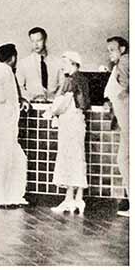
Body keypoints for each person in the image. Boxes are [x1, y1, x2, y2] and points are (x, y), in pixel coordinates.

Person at [43, 51, 90, 214]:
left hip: (69, 123)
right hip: (79, 122)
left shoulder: (70, 80)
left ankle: (69, 199)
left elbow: (61, 104)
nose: (62, 66)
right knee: (78, 158)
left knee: (68, 158)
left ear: (73, 63)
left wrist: (51, 112)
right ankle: (78, 198)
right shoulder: (83, 79)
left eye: (65, 63)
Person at [0, 43, 29, 206]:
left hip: (5, 126)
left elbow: (9, 94)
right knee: (5, 160)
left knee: (15, 159)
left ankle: (10, 196)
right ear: (13, 57)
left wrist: (19, 100)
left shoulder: (4, 71)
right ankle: (1, 197)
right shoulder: (2, 71)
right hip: (2, 126)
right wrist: (6, 101)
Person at [105, 36, 129, 216]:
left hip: (129, 122)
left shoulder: (124, 64)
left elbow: (124, 91)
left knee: (124, 160)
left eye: (112, 50)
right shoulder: (120, 66)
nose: (110, 53)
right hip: (125, 122)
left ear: (122, 49)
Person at [17, 26, 62, 101]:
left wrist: (55, 99)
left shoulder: (58, 62)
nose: (36, 44)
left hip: (53, 104)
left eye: (39, 40)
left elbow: (62, 85)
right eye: (33, 41)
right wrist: (32, 98)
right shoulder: (23, 63)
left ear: (45, 40)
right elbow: (19, 87)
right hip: (32, 105)